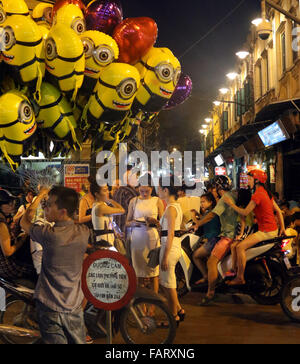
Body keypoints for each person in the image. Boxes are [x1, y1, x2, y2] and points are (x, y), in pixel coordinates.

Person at [21, 186, 90, 345]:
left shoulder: (49, 234)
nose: (45, 207)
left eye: (49, 204)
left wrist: (39, 196)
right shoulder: (84, 232)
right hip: (73, 305)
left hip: (49, 306)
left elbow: (24, 222)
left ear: (62, 211)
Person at [223, 170, 285, 286]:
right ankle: (234, 270)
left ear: (256, 181)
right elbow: (279, 212)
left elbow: (245, 212)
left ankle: (240, 277)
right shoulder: (266, 193)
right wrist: (282, 228)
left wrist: (231, 204)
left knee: (240, 247)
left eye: (250, 179)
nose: (248, 182)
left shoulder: (258, 195)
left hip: (265, 231)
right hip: (272, 230)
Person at [194, 176, 239, 305]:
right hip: (234, 234)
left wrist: (197, 224)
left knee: (211, 261)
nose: (213, 191)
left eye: (214, 188)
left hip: (228, 236)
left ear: (218, 188)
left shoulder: (224, 199)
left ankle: (210, 293)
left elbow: (212, 215)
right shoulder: (233, 195)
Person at [126, 174, 164, 293]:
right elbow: (127, 222)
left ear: (152, 189)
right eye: (141, 190)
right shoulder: (134, 201)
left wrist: (156, 222)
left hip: (152, 237)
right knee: (139, 272)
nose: (144, 193)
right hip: (137, 238)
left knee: (153, 272)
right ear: (138, 188)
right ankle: (141, 304)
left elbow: (163, 223)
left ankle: (153, 307)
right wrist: (133, 223)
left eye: (147, 190)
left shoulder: (157, 201)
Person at [158, 177, 185, 326]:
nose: (157, 191)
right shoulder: (175, 206)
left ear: (166, 190)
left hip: (170, 247)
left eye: (159, 188)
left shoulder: (171, 208)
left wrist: (165, 256)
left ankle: (173, 316)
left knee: (169, 284)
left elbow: (171, 234)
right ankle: (179, 310)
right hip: (173, 246)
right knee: (168, 283)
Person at [0, 190, 35, 281]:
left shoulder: (5, 219)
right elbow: (8, 252)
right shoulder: (1, 224)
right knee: (35, 268)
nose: (12, 205)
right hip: (6, 266)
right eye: (9, 203)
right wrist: (22, 239)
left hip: (4, 264)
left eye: (13, 203)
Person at [192, 193, 221, 285]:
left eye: (204, 202)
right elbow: (204, 219)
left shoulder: (211, 213)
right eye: (201, 202)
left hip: (213, 240)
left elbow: (199, 223)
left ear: (211, 202)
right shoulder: (210, 212)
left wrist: (193, 217)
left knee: (195, 256)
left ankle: (205, 276)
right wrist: (197, 214)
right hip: (213, 239)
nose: (202, 204)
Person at [90, 182, 125, 246]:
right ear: (97, 194)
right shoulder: (100, 207)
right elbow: (122, 210)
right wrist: (111, 200)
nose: (108, 192)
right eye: (105, 190)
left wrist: (116, 232)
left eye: (108, 189)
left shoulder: (101, 205)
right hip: (104, 241)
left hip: (107, 239)